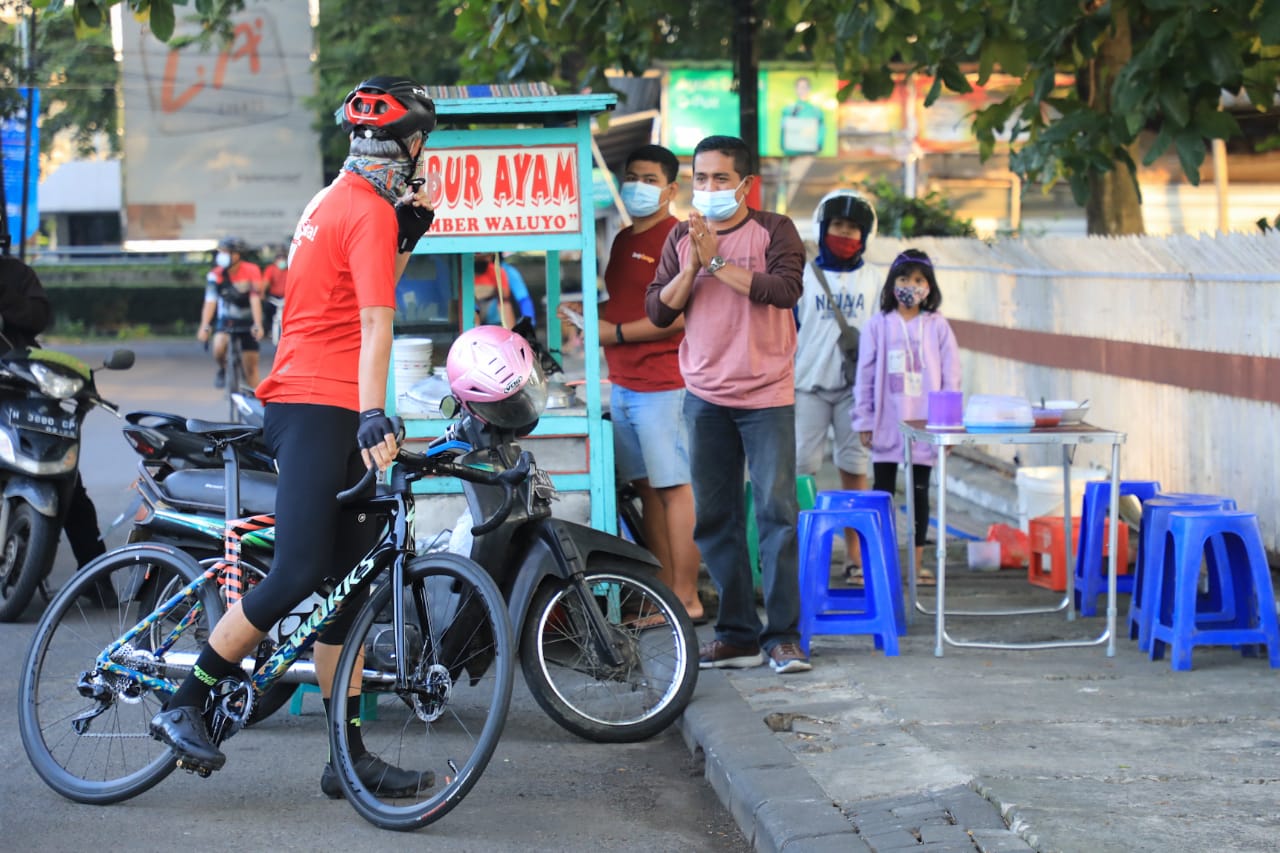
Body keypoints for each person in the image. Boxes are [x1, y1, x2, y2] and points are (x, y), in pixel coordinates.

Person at [149, 75, 439, 798]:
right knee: (300, 570)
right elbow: (377, 323)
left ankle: (346, 755)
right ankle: (187, 700)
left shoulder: (339, 200)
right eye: (421, 144)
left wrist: (413, 227)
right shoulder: (365, 209)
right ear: (409, 146)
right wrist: (374, 413)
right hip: (318, 402)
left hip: (331, 400)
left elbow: (360, 292)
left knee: (345, 585)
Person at [645, 134, 810, 674]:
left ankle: (782, 635)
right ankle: (737, 634)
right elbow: (659, 310)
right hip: (705, 397)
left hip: (766, 396)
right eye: (701, 178)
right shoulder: (679, 237)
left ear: (745, 184)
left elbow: (784, 290)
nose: (709, 188)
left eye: (720, 178)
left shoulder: (775, 230)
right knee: (715, 519)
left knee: (775, 515)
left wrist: (716, 264)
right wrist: (693, 266)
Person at [558, 144, 703, 622]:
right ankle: (662, 591)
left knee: (674, 488)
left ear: (670, 189)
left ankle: (687, 597)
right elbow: (624, 304)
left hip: (665, 384)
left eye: (649, 177)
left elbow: (680, 316)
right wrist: (585, 317)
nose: (638, 185)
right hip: (622, 382)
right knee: (647, 490)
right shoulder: (622, 240)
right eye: (633, 175)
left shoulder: (678, 237)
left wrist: (611, 332)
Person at [851, 249, 961, 584]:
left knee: (919, 493)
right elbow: (865, 375)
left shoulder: (938, 326)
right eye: (903, 279)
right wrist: (864, 419)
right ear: (891, 284)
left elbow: (952, 376)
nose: (910, 286)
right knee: (882, 493)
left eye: (917, 280)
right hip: (886, 423)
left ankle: (915, 565)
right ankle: (882, 564)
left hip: (926, 426)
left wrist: (949, 428)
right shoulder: (877, 326)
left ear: (929, 287)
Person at [0, 254, 108, 577]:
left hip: (18, 385)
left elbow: (37, 317)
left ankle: (95, 577)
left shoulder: (17, 273)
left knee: (66, 480)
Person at [794, 190, 880, 585]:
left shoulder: (876, 278)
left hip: (856, 392)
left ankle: (856, 557)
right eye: (838, 226)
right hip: (806, 386)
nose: (845, 234)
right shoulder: (801, 275)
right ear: (822, 228)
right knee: (800, 473)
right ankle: (805, 553)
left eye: (853, 228)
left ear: (866, 234)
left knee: (855, 470)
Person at [198, 237, 265, 388]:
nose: (222, 255)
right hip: (227, 319)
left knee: (251, 368)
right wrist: (204, 325)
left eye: (226, 252)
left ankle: (256, 403)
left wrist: (258, 324)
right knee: (218, 346)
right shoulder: (215, 274)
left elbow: (255, 299)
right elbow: (210, 301)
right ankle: (223, 369)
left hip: (247, 320)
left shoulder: (251, 270)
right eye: (221, 252)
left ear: (236, 255)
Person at [473, 251, 534, 328]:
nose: (488, 259)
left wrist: (529, 324)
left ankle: (509, 335)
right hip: (470, 311)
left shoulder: (499, 271)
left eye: (489, 255)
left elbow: (522, 299)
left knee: (505, 303)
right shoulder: (462, 271)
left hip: (491, 316)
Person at [779, 76, 825, 157]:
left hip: (809, 153)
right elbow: (783, 129)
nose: (802, 90)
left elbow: (821, 129)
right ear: (795, 89)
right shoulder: (788, 110)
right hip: (791, 153)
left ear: (809, 89)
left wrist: (818, 145)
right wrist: (783, 145)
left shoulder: (816, 111)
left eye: (804, 87)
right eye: (799, 87)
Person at [262, 248, 288, 343]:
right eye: (279, 258)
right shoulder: (271, 269)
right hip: (274, 297)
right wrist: (263, 293)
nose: (281, 260)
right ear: (275, 260)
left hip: (287, 297)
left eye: (283, 258)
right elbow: (265, 282)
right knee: (267, 309)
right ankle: (267, 329)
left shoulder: (290, 269)